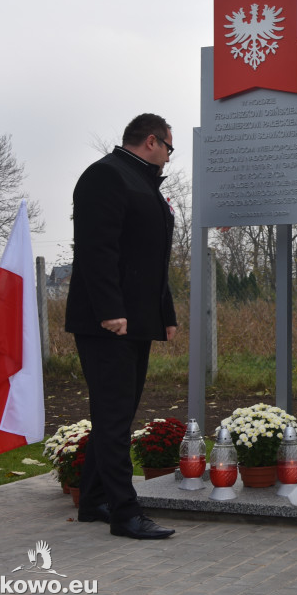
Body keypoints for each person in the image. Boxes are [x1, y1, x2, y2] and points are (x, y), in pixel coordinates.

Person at [65, 113, 178, 540]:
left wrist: (165, 313)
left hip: (136, 320)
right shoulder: (106, 177)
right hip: (106, 322)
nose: (169, 157)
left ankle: (94, 500)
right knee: (113, 417)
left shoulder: (142, 181)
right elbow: (97, 250)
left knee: (117, 415)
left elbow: (153, 259)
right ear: (151, 141)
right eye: (169, 148)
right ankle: (125, 514)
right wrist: (109, 310)